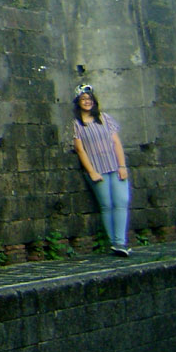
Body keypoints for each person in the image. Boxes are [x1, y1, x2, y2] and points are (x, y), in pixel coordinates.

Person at [71, 83, 131, 256]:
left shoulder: (105, 118)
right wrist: (92, 172)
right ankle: (115, 243)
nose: (87, 102)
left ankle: (120, 242)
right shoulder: (77, 124)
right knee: (107, 205)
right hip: (97, 169)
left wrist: (122, 166)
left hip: (114, 166)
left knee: (122, 202)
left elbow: (116, 143)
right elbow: (80, 150)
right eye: (83, 99)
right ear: (78, 102)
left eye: (89, 99)